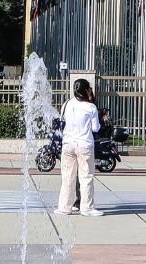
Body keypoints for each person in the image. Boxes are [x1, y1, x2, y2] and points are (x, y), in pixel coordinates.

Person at [56, 78, 103, 217]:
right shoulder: (91, 107)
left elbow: (62, 120)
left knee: (67, 177)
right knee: (86, 176)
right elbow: (95, 128)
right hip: (84, 145)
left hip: (68, 143)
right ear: (86, 90)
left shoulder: (67, 104)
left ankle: (64, 207)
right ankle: (86, 207)